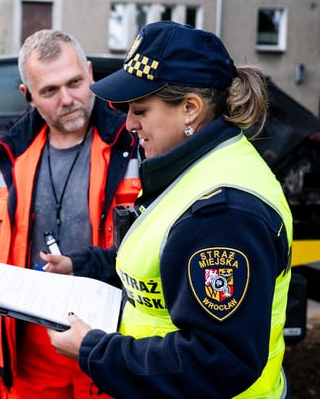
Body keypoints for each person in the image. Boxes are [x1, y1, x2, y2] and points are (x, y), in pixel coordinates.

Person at [44, 21, 294, 398]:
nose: (128, 123)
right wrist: (84, 266)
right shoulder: (197, 166)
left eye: (140, 109)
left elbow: (219, 359)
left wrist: (93, 351)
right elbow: (162, 263)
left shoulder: (223, 214)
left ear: (190, 109)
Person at [0, 29, 141, 398]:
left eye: (75, 82)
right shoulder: (3, 160)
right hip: (30, 348)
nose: (67, 99)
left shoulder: (133, 146)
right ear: (28, 96)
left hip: (112, 341)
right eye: (50, 91)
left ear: (90, 72)